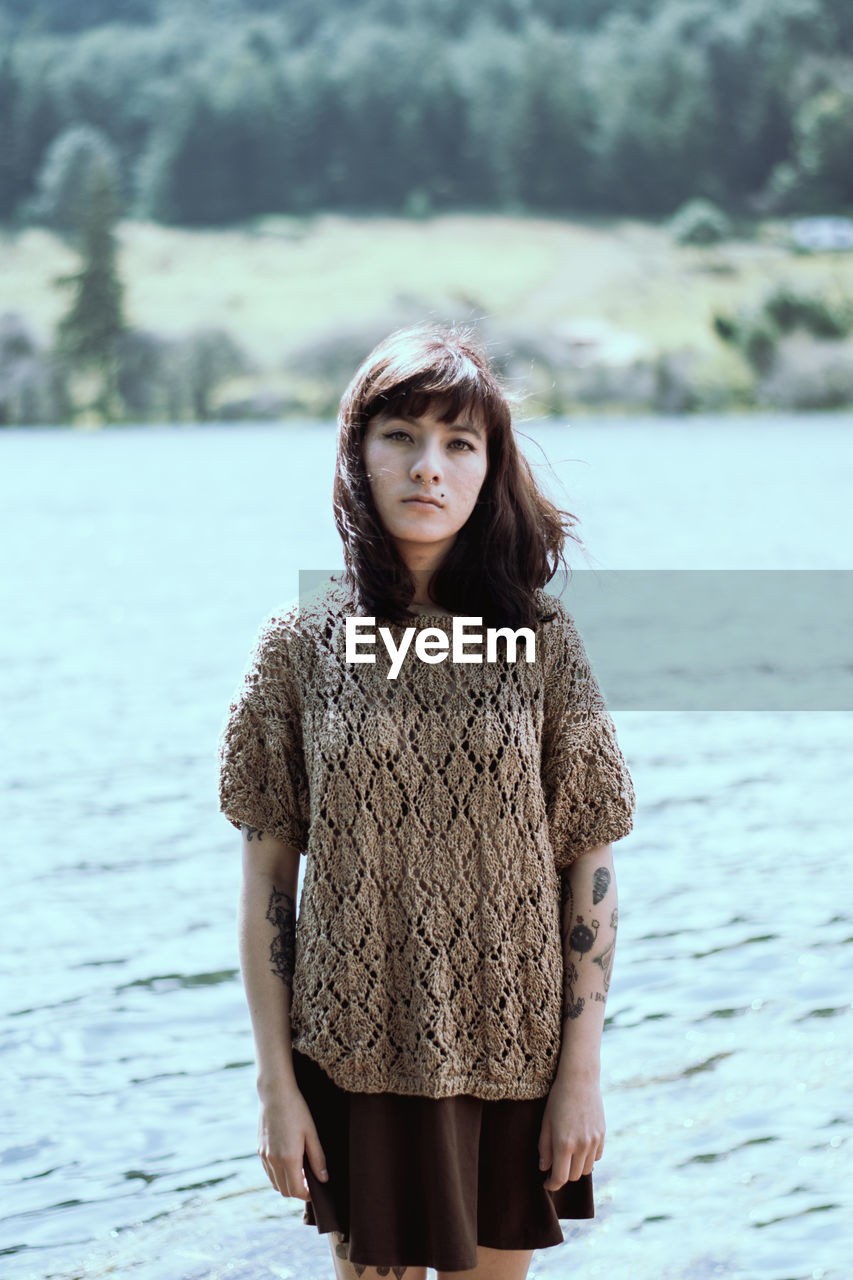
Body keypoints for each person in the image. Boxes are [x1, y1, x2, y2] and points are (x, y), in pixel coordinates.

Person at [217, 323, 636, 1280]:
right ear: (355, 456)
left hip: (516, 1055)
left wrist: (580, 1076)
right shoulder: (297, 649)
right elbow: (267, 889)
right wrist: (276, 1089)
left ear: (489, 469)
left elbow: (592, 865)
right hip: (355, 1054)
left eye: (459, 443)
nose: (427, 467)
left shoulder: (541, 643)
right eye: (399, 436)